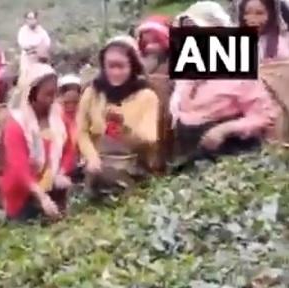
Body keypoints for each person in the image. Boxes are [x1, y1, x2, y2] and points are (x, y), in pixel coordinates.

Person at [170, 1, 281, 161]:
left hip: (229, 158)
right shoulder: (187, 73)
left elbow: (265, 116)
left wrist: (225, 129)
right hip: (191, 157)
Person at [76, 35, 160, 194]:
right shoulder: (93, 92)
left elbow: (150, 140)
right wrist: (92, 157)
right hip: (97, 164)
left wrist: (124, 126)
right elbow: (81, 131)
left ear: (133, 67)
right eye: (110, 66)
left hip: (132, 166)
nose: (115, 72)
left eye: (121, 67)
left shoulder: (146, 96)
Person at [0, 63, 75, 221]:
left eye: (55, 93)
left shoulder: (58, 116)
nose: (52, 99)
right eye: (47, 94)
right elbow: (19, 168)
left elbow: (69, 148)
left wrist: (62, 172)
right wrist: (41, 196)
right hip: (23, 191)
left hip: (50, 183)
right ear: (32, 94)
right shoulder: (17, 124)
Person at [17, 11, 51, 78]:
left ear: (36, 19)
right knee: (25, 77)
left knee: (48, 74)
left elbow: (47, 43)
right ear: (26, 20)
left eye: (33, 18)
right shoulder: (22, 31)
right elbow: (23, 44)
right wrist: (35, 47)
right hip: (27, 58)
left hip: (40, 58)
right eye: (29, 18)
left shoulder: (42, 31)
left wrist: (39, 49)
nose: (31, 21)